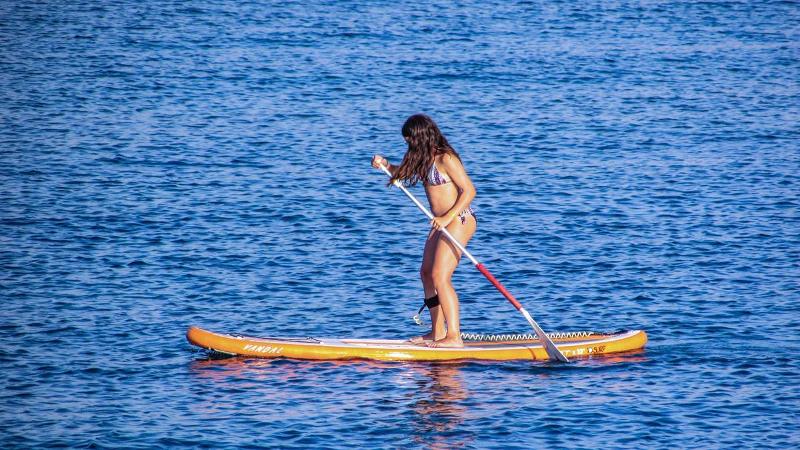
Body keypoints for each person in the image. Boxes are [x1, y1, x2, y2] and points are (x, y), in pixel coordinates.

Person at [371, 114, 477, 348]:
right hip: (439, 222)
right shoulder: (423, 158)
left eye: (410, 140)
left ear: (421, 136)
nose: (408, 145)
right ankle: (437, 332)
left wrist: (448, 216)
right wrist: (386, 165)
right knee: (426, 273)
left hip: (458, 219)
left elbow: (469, 191)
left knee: (441, 275)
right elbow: (403, 173)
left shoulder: (446, 158)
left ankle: (454, 336)